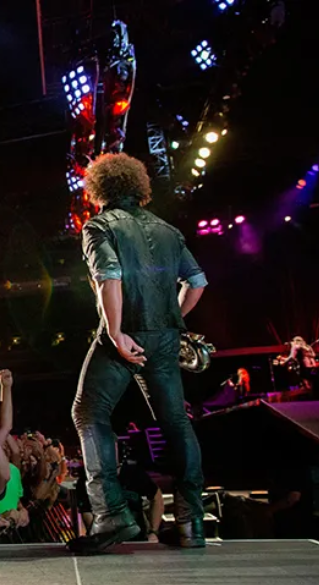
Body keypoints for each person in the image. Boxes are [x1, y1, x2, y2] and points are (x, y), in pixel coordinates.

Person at [70, 153, 209, 554]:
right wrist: (169, 318)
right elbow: (197, 283)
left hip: (125, 333)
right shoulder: (168, 230)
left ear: (100, 189)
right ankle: (190, 524)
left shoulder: (99, 226)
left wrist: (116, 332)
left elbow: (108, 278)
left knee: (88, 412)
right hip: (164, 337)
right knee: (175, 423)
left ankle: (111, 514)